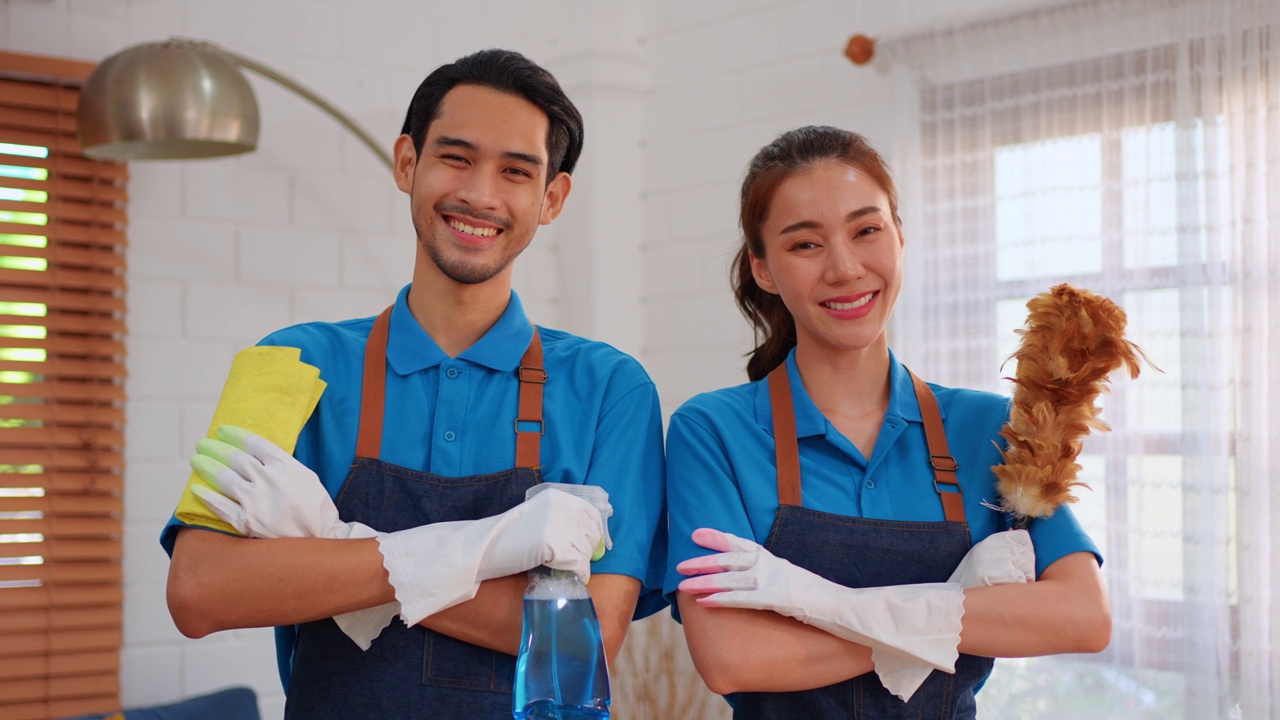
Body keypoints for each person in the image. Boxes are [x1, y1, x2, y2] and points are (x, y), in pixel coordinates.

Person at [161, 48, 667, 718]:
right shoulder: (286, 363)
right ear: (408, 163)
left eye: (515, 171)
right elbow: (200, 592)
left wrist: (328, 545)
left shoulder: (611, 389)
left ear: (551, 199)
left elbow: (584, 640)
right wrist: (484, 561)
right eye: (455, 157)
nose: (480, 194)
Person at [664, 125, 1110, 718]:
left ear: (899, 237)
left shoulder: (993, 429)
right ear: (764, 270)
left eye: (866, 230)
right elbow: (733, 658)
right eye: (805, 245)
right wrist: (956, 610)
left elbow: (1082, 617)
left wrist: (825, 608)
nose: (845, 268)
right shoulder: (714, 431)